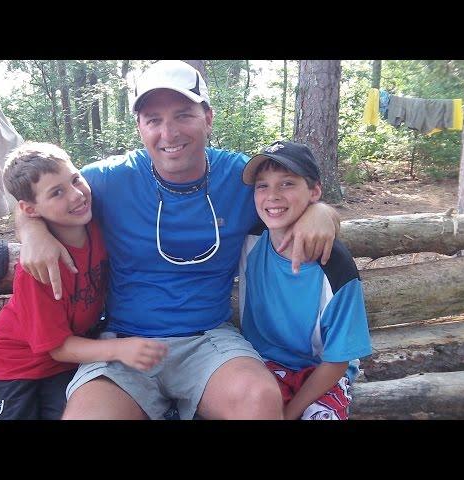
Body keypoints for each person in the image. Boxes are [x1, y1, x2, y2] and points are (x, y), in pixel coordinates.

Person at [17, 61, 340, 420]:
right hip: (123, 345)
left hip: (209, 340)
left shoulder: (241, 177)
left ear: (208, 118)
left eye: (183, 115)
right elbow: (38, 193)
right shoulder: (109, 180)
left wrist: (322, 212)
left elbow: (287, 195)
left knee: (260, 401)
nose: (168, 133)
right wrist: (29, 230)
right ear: (139, 127)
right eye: (153, 119)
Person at [0, 142, 167, 420]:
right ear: (31, 210)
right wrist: (121, 349)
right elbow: (58, 346)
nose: (76, 195)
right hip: (9, 367)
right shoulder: (39, 268)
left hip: (64, 368)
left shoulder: (98, 224)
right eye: (57, 192)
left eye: (75, 179)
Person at [238, 141, 372, 420]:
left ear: (314, 191)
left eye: (287, 183)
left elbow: (337, 361)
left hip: (320, 373)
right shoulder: (250, 240)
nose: (272, 195)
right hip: (261, 363)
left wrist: (291, 413)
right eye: (262, 186)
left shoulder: (335, 266)